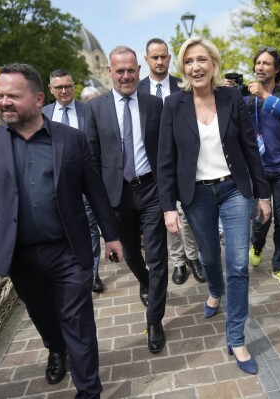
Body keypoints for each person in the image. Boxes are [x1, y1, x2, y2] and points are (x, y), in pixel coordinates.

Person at [0, 63, 123, 398]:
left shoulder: (72, 140)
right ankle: (55, 348)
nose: (3, 102)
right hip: (19, 255)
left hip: (69, 250)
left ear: (37, 99)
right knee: (43, 316)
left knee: (78, 320)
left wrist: (112, 236)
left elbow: (95, 190)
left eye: (12, 96)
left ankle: (89, 390)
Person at [157, 37, 271, 375]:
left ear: (214, 65)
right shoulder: (173, 105)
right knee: (208, 256)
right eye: (190, 61)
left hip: (235, 189)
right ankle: (215, 290)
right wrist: (167, 206)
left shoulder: (232, 97)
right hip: (196, 196)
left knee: (237, 264)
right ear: (183, 69)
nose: (196, 66)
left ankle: (236, 336)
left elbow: (251, 148)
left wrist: (262, 194)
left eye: (202, 59)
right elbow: (165, 159)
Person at [84, 46, 169, 354]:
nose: (125, 76)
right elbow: (92, 159)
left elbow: (164, 151)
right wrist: (100, 204)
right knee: (132, 254)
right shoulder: (95, 109)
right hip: (117, 194)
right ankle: (145, 282)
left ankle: (154, 320)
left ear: (138, 70)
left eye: (130, 70)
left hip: (151, 190)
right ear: (110, 72)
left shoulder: (154, 104)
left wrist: (168, 192)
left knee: (158, 255)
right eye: (119, 71)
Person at [138, 38, 204, 285]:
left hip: (185, 163)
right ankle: (178, 262)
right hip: (153, 166)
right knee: (169, 217)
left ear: (169, 57)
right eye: (154, 57)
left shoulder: (183, 85)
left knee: (187, 214)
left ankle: (193, 257)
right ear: (146, 59)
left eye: (163, 56)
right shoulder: (139, 90)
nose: (159, 61)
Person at [42, 69, 105, 293]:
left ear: (74, 86)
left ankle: (92, 273)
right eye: (59, 87)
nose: (64, 91)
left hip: (85, 181)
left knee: (90, 228)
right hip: (56, 185)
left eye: (68, 86)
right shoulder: (43, 114)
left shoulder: (89, 111)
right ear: (51, 90)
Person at [240, 45, 280, 287]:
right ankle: (257, 244)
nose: (260, 67)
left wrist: (264, 97)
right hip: (257, 168)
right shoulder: (246, 95)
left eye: (266, 63)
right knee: (261, 216)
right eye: (258, 63)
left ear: (277, 69)